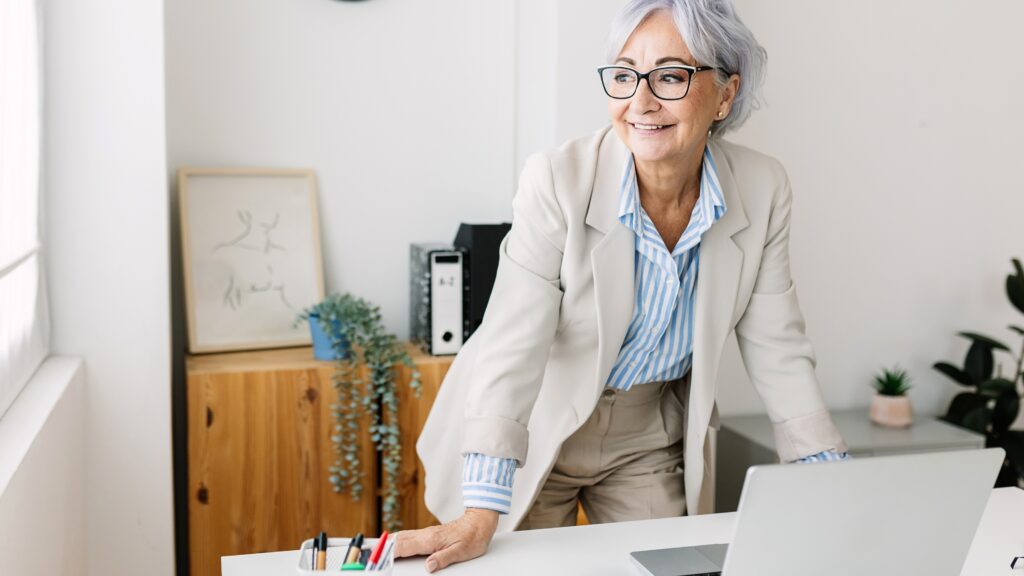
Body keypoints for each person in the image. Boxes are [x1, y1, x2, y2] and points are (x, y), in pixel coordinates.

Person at [396, 0, 849, 572]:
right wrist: (484, 505)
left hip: (647, 438)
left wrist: (833, 485)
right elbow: (514, 341)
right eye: (624, 74)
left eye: (670, 75)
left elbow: (779, 347)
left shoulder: (762, 188)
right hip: (532, 423)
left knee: (672, 568)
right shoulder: (558, 180)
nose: (641, 99)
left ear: (726, 95)